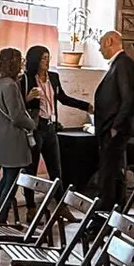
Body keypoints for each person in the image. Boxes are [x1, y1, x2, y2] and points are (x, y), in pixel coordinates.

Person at [21, 45, 90, 184]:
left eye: (48, 58)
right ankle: (30, 204)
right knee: (31, 168)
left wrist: (86, 106)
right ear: (36, 60)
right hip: (36, 126)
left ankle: (59, 201)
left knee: (56, 168)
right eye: (43, 59)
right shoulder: (26, 79)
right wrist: (27, 98)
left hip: (51, 126)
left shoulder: (53, 77)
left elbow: (63, 98)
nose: (47, 62)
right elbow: (18, 105)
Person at [0, 47, 38, 214]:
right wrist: (32, 123)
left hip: (0, 138)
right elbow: (16, 117)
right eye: (20, 60)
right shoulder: (10, 85)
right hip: (12, 139)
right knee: (11, 182)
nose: (22, 63)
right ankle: (0, 218)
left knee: (6, 178)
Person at [92, 29, 134, 209]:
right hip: (109, 129)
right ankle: (113, 212)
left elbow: (129, 98)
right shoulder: (117, 64)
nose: (99, 49)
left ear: (110, 41)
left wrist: (116, 127)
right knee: (112, 174)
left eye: (100, 44)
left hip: (114, 130)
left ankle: (103, 216)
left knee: (108, 175)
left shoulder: (124, 64)